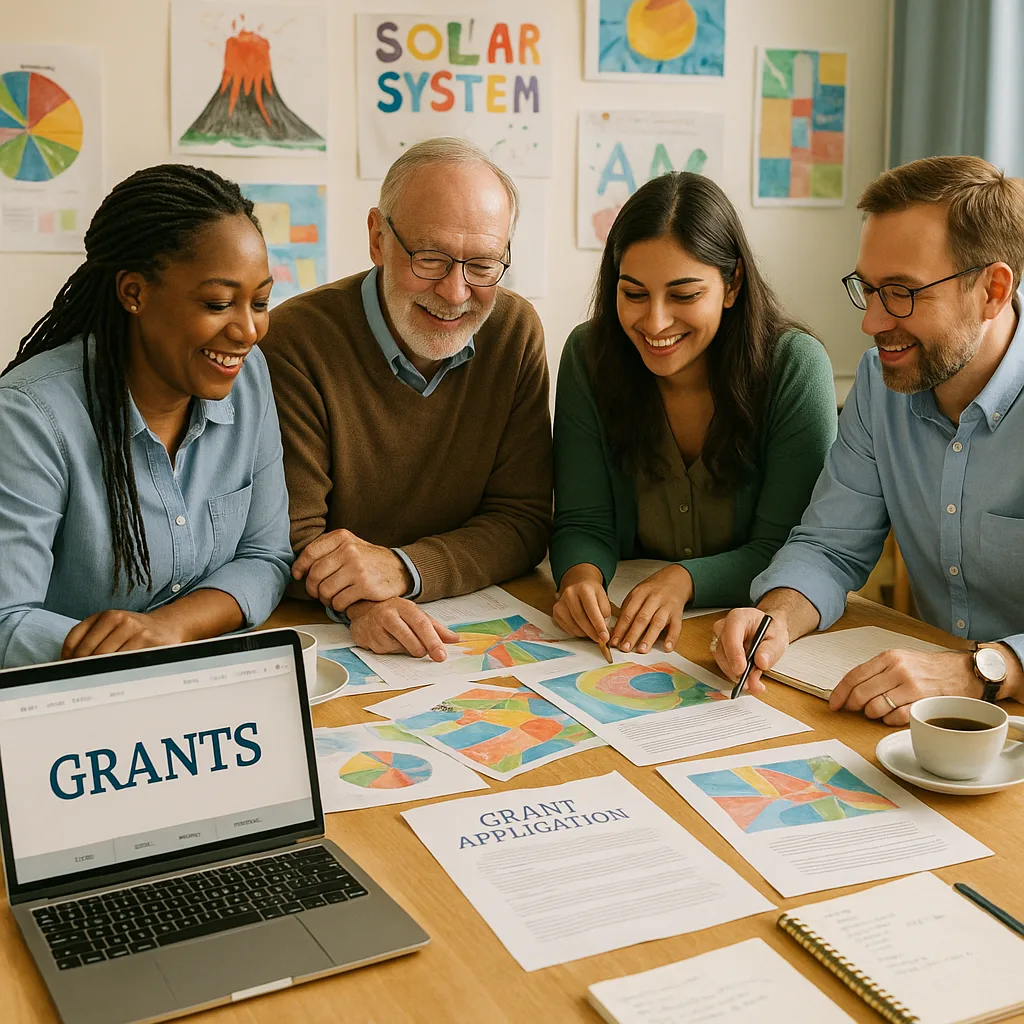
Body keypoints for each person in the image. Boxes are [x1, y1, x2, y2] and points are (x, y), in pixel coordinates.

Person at [712, 155, 1024, 724]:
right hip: (931, 723)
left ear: (993, 291)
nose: (872, 322)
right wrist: (776, 617)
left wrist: (979, 670)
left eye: (902, 292)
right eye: (869, 289)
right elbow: (830, 547)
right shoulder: (881, 386)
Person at [261, 137, 552, 661]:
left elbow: (523, 519)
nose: (455, 292)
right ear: (377, 238)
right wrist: (362, 604)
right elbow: (290, 543)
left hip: (467, 620)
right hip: (332, 635)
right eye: (430, 258)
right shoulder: (294, 341)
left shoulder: (514, 331)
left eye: (483, 264)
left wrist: (403, 569)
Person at [0, 164, 293, 669]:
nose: (247, 331)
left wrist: (171, 628)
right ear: (134, 292)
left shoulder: (248, 379)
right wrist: (134, 658)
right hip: (63, 699)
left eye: (260, 301)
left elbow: (265, 557)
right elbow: (7, 619)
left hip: (196, 680)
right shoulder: (29, 416)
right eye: (218, 303)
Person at [550, 172, 837, 656]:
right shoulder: (587, 355)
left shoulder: (795, 367)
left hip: (751, 635)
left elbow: (790, 548)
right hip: (628, 637)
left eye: (684, 295)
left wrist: (682, 580)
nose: (655, 321)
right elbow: (583, 520)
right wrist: (580, 578)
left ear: (732, 283)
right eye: (633, 294)